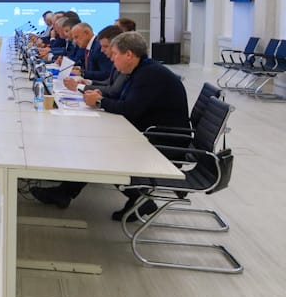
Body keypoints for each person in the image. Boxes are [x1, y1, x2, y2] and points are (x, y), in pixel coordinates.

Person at [30, 32, 189, 217]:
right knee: (95, 143)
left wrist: (99, 101)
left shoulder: (149, 75)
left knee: (99, 149)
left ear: (128, 54)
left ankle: (140, 200)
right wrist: (100, 95)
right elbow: (123, 99)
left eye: (114, 54)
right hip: (148, 131)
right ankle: (65, 193)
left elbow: (128, 109)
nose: (111, 59)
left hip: (164, 140)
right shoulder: (142, 70)